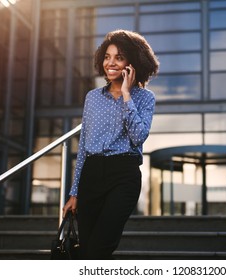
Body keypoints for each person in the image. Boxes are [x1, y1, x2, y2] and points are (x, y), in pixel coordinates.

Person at [62, 29, 159, 259]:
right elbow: (84, 145)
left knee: (100, 248)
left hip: (123, 175)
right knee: (85, 249)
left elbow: (138, 137)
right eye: (107, 56)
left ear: (132, 63)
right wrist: (74, 192)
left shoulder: (145, 98)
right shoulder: (92, 97)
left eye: (119, 57)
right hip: (92, 174)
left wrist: (126, 95)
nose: (111, 63)